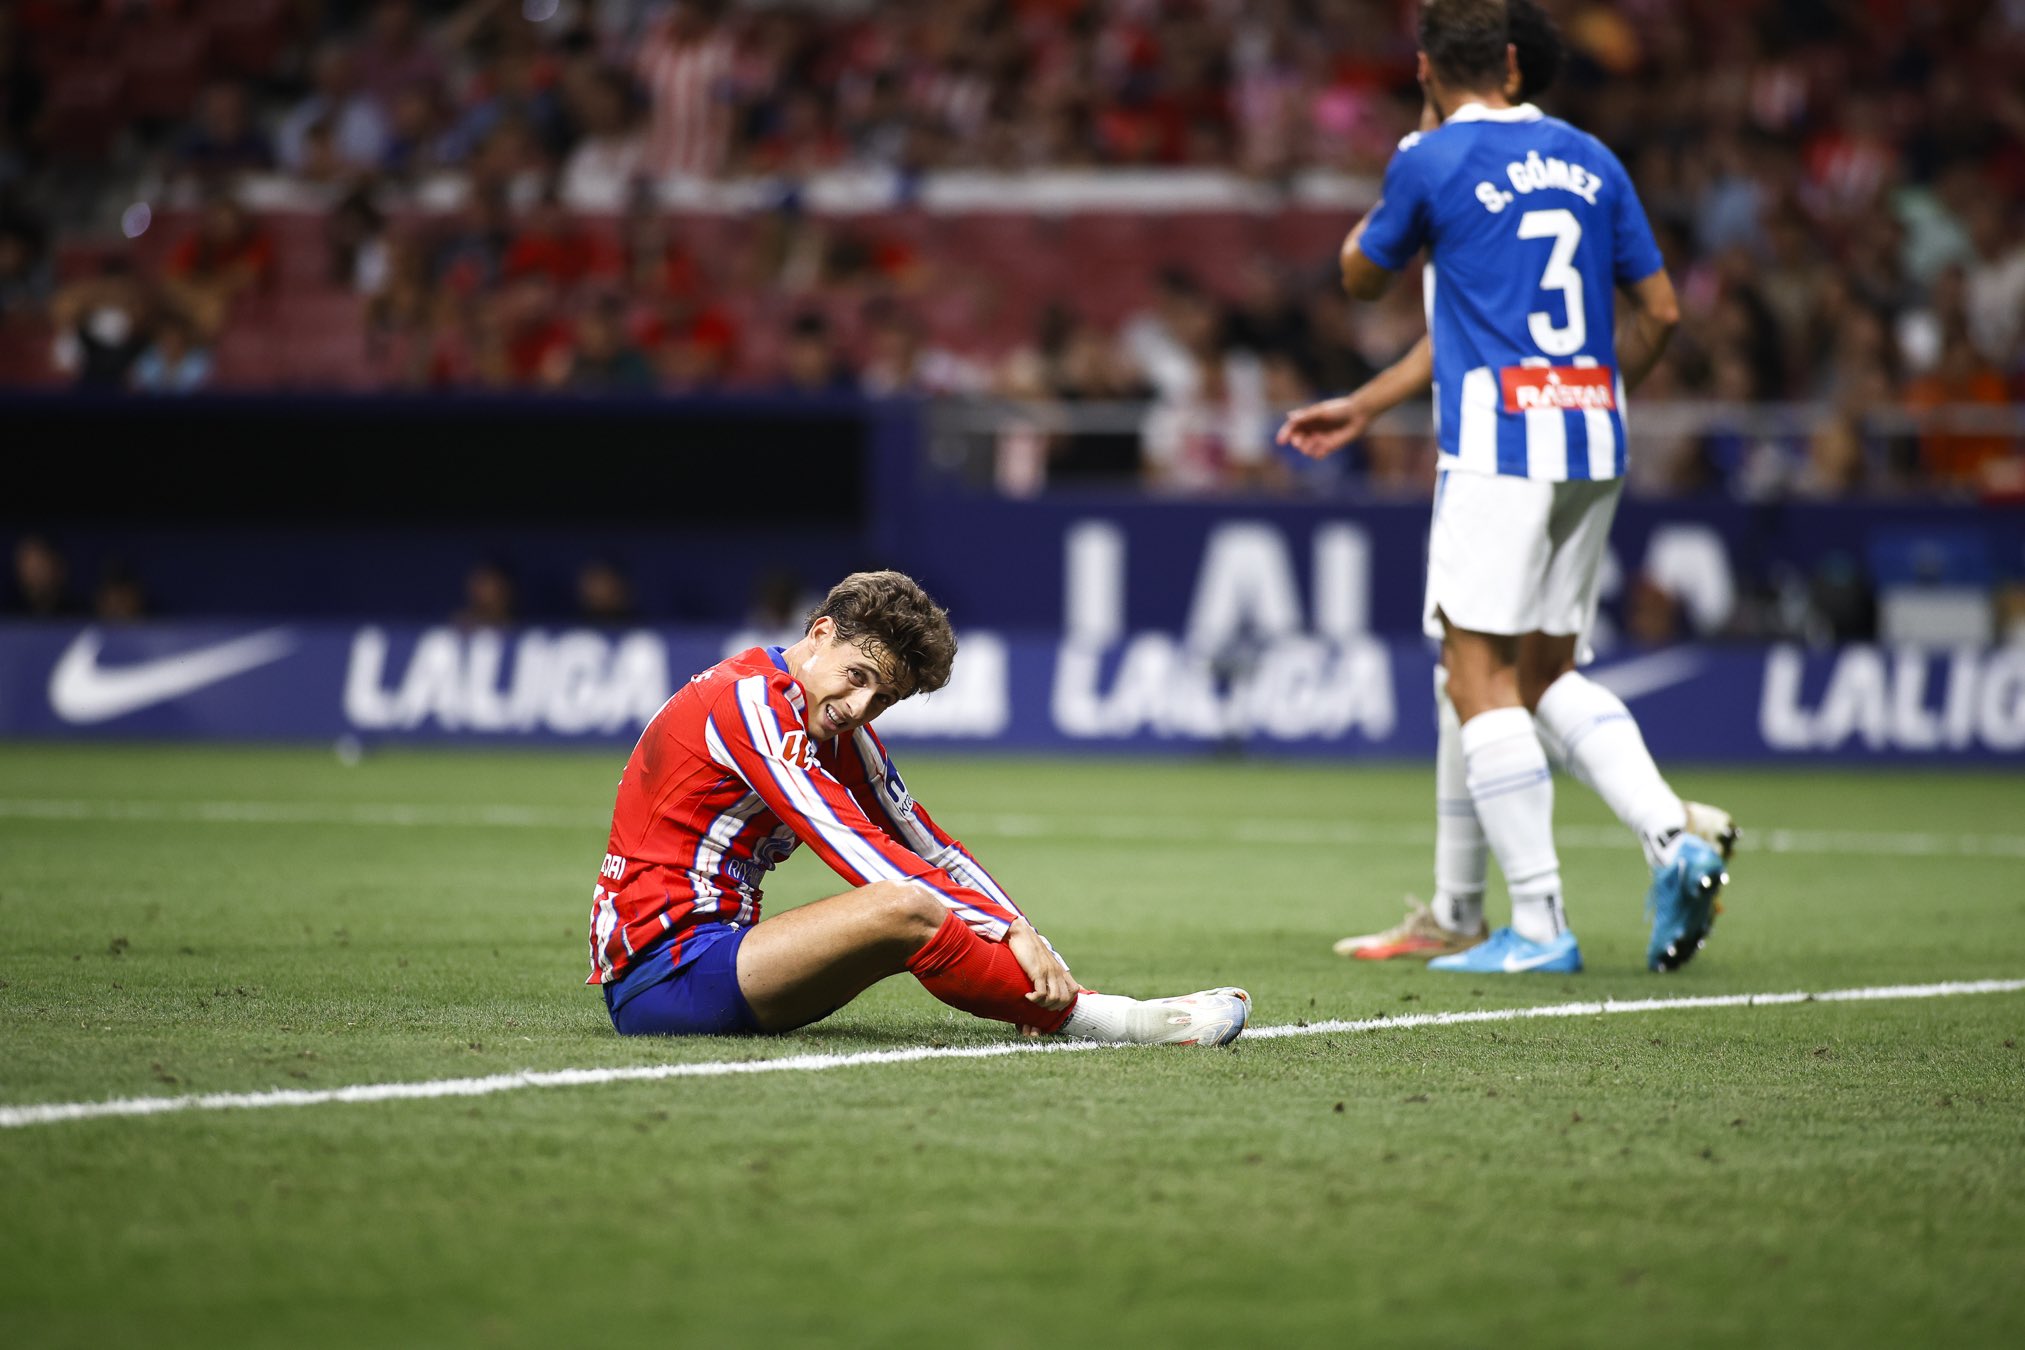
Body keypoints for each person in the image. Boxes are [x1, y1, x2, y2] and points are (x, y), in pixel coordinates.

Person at [1278, 0, 1730, 975]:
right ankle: (1670, 837)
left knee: (1475, 675)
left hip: (1498, 444)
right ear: (1516, 63)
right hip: (1590, 437)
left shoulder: (1432, 158)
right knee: (1548, 672)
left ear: (1426, 68)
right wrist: (1590, 398)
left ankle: (1538, 924)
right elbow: (1658, 311)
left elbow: (1359, 277)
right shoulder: (1591, 159)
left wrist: (1399, 181)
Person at [587, 570, 1250, 1043]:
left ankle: (1067, 1007)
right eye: (857, 676)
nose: (858, 707)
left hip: (725, 958)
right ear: (819, 634)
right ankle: (1116, 1022)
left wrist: (1025, 933)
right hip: (663, 971)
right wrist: (1001, 927)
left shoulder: (835, 728)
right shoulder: (748, 700)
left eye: (882, 699)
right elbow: (847, 843)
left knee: (916, 908)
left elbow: (929, 845)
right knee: (900, 905)